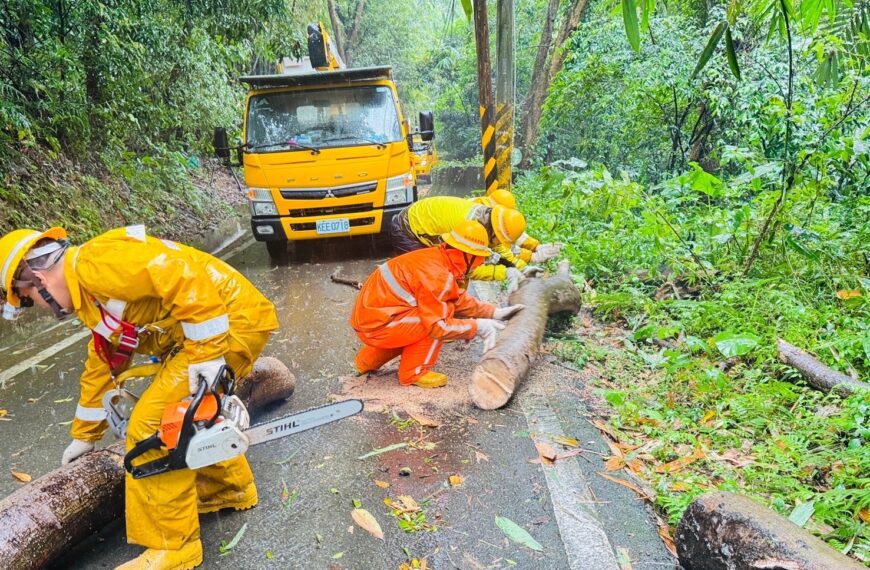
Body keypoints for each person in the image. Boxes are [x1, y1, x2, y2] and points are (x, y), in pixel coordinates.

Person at [0, 225, 279, 570]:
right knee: (190, 414)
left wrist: (207, 351)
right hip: (223, 323)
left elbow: (182, 273)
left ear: (37, 277)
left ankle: (174, 547)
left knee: (154, 425)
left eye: (28, 299)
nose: (39, 307)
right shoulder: (90, 294)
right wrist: (83, 438)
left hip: (228, 323)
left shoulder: (93, 263)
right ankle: (227, 487)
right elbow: (102, 363)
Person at [351, 220, 524, 388]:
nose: (479, 264)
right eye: (479, 259)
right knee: (437, 320)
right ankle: (413, 373)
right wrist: (476, 327)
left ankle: (365, 362)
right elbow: (439, 327)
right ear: (468, 255)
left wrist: (493, 313)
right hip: (378, 326)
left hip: (374, 321)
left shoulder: (438, 259)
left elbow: (457, 298)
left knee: (432, 313)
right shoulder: (437, 275)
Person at [390, 195, 534, 289]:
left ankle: (454, 315)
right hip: (408, 231)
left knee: (456, 280)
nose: (499, 243)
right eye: (500, 239)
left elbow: (498, 248)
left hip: (422, 221)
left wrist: (521, 268)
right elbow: (468, 269)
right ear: (496, 231)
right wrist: (505, 273)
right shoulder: (468, 226)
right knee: (436, 280)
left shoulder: (488, 219)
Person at [470, 189, 564, 264]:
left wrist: (536, 246)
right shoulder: (478, 223)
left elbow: (509, 234)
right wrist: (532, 257)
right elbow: (502, 250)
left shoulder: (481, 208)